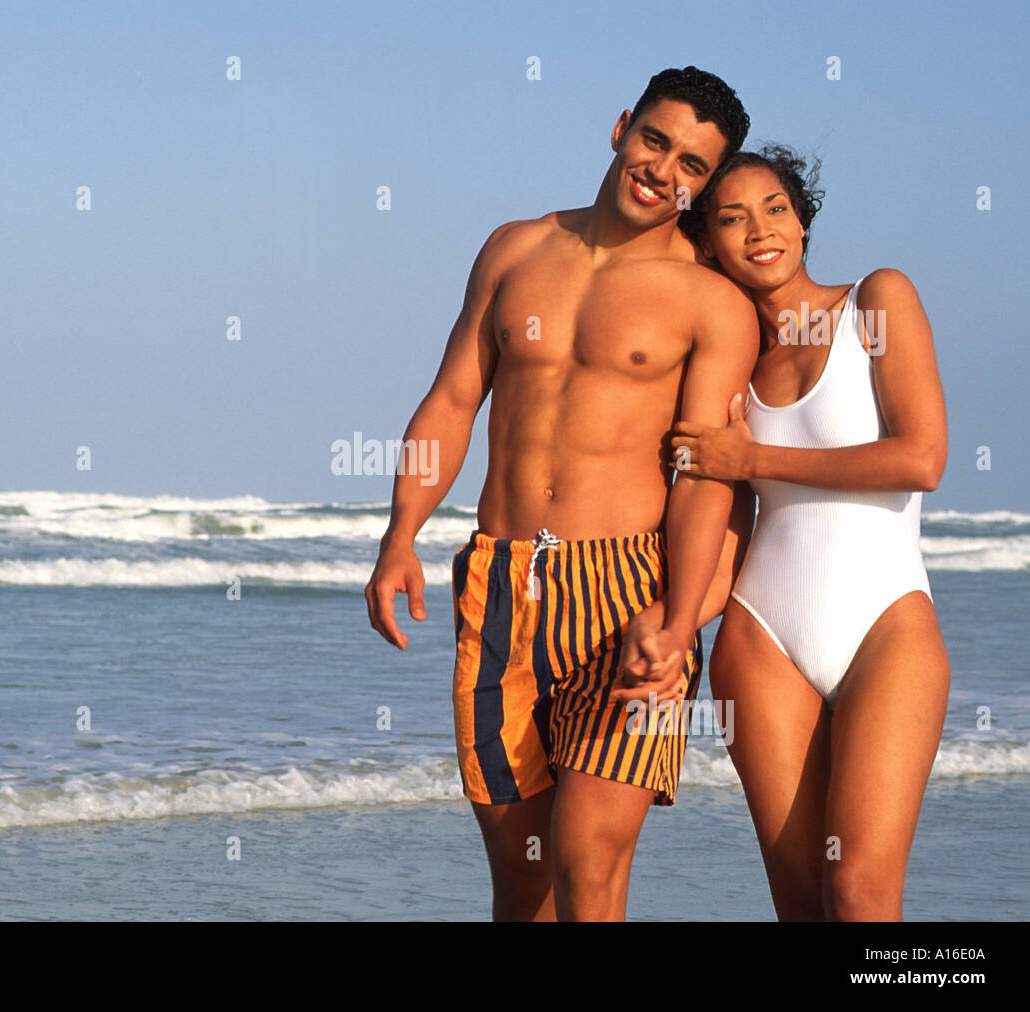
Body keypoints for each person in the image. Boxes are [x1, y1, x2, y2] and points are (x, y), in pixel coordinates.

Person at [363, 67, 756, 921]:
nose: (664, 170)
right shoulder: (513, 248)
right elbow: (453, 400)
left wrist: (683, 617)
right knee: (522, 873)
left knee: (589, 864)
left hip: (633, 594)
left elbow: (705, 475)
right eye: (656, 140)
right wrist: (401, 537)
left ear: (703, 184)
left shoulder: (713, 302)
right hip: (499, 585)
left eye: (692, 164)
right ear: (622, 128)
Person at [650, 145, 950, 920]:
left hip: (886, 624)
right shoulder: (729, 365)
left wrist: (752, 454)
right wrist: (678, 621)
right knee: (803, 902)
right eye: (733, 218)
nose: (760, 231)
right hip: (761, 637)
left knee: (859, 890)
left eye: (775, 207)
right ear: (707, 241)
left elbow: (920, 457)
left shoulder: (874, 303)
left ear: (803, 220)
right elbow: (729, 515)